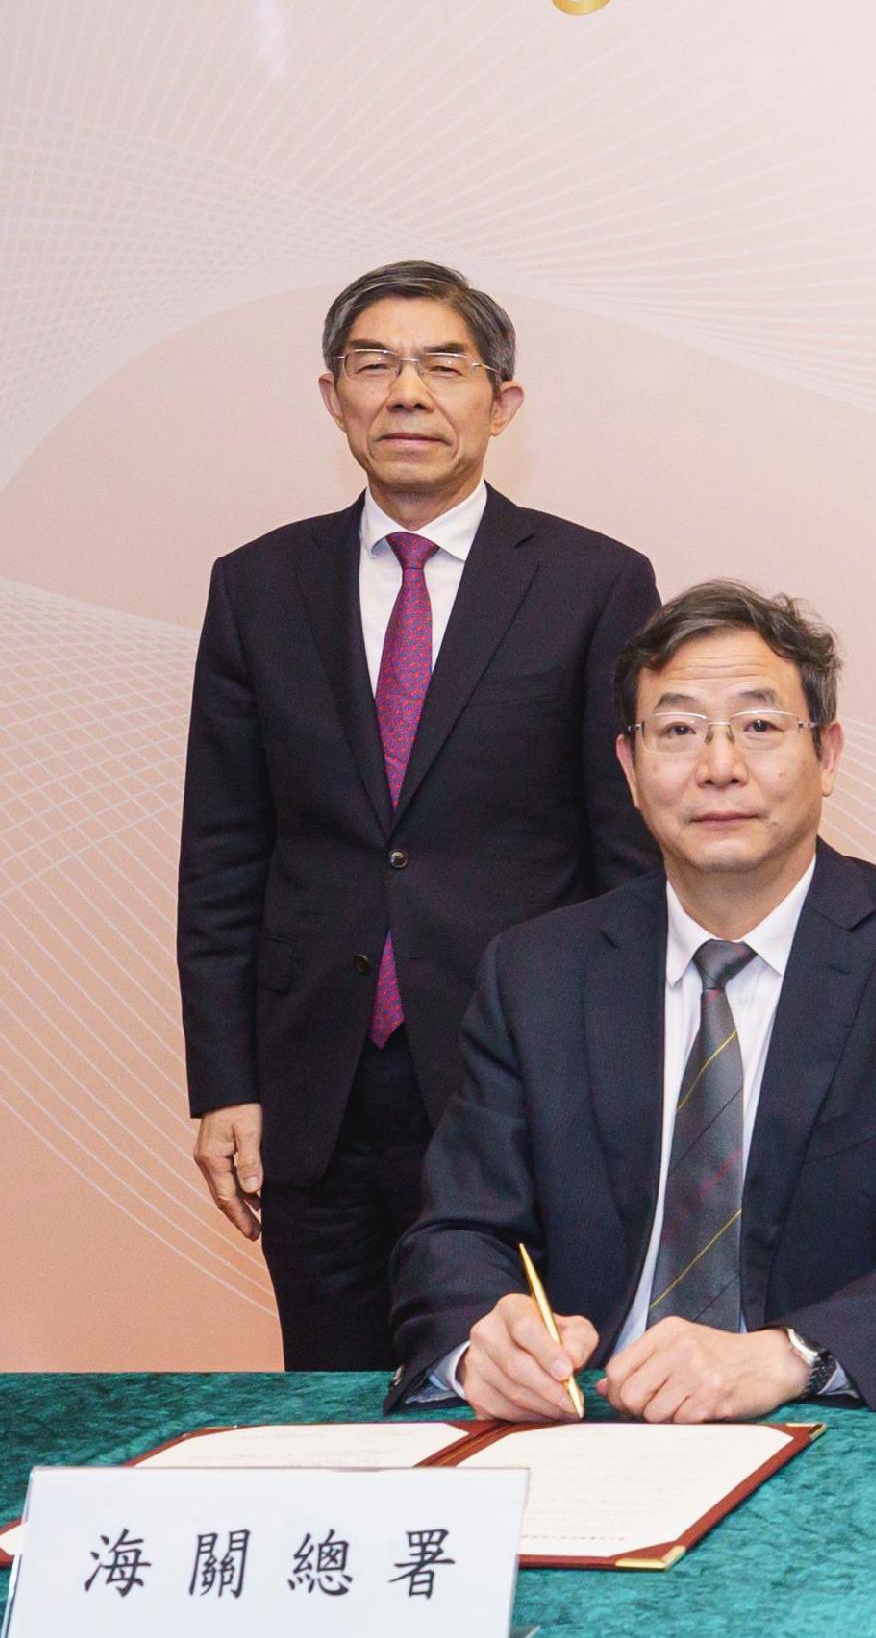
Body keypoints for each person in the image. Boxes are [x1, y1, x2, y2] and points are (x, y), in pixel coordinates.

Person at [390, 582, 876, 1420]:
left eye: (761, 726)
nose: (719, 766)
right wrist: (482, 1339)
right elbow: (454, 1233)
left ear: (829, 755)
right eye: (677, 731)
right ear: (631, 770)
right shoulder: (536, 973)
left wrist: (788, 1357)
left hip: (826, 1428)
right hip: (583, 1429)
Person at [178, 262, 662, 1370]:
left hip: (520, 1072)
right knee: (337, 1395)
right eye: (375, 364)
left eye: (444, 366)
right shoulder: (257, 586)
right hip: (315, 1088)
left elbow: (627, 854)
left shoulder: (593, 581)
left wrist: (616, 1081)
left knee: (522, 1386)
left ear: (502, 403)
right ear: (331, 395)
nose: (408, 392)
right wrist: (227, 1083)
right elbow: (223, 852)